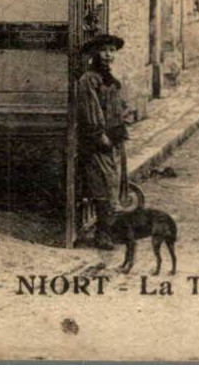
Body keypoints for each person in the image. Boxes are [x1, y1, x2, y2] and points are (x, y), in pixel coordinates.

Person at [74, 33, 129, 250]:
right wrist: (100, 136)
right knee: (103, 187)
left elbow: (115, 104)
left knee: (113, 184)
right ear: (95, 53)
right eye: (104, 50)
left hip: (114, 138)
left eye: (112, 51)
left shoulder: (108, 78)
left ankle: (107, 230)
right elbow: (90, 111)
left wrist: (124, 114)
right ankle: (102, 234)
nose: (108, 55)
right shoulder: (89, 79)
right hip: (99, 142)